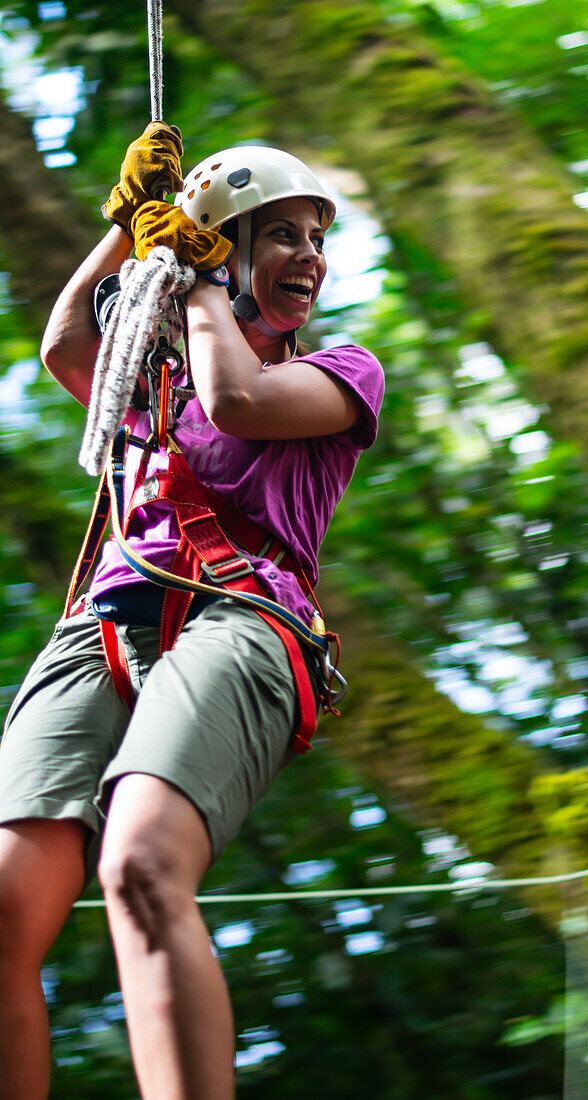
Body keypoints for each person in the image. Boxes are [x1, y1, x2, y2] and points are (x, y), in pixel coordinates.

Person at [0, 124, 384, 1100]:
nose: (310, 253)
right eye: (282, 233)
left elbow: (240, 397)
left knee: (138, 861)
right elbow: (66, 348)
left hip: (242, 616)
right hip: (104, 621)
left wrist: (198, 278)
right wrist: (130, 228)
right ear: (230, 241)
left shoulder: (340, 374)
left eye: (315, 235)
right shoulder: (150, 379)